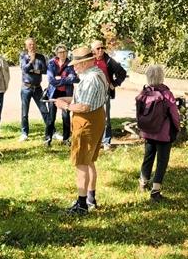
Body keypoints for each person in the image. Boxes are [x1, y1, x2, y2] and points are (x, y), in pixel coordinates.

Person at [54, 46, 108, 215]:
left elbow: (84, 106)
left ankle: (82, 204)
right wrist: (66, 99)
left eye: (76, 64)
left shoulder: (90, 78)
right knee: (89, 160)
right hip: (96, 118)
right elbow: (84, 99)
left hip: (87, 122)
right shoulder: (96, 74)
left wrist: (66, 105)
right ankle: (90, 199)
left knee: (81, 162)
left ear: (85, 63)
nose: (74, 67)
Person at [135, 65, 181, 202]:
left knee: (148, 157)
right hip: (163, 134)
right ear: (162, 76)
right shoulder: (166, 94)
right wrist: (177, 128)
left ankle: (143, 182)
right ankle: (155, 190)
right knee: (162, 161)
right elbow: (174, 114)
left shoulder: (143, 93)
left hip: (148, 132)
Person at [91, 40, 127, 150]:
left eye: (102, 48)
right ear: (93, 50)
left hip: (105, 92)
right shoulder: (89, 60)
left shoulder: (109, 60)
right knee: (92, 117)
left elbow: (122, 73)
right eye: (98, 48)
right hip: (92, 92)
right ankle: (94, 141)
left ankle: (106, 141)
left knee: (106, 117)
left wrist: (114, 84)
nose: (101, 50)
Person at [19, 37, 52, 145]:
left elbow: (44, 70)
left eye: (33, 44)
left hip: (37, 87)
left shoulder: (41, 57)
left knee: (44, 110)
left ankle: (51, 131)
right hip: (26, 88)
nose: (32, 46)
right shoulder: (23, 56)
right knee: (25, 112)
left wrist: (33, 70)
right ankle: (24, 133)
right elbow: (24, 69)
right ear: (26, 46)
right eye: (29, 45)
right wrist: (31, 61)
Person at [46, 45, 79, 145]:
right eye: (60, 52)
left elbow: (74, 78)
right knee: (51, 117)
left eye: (64, 51)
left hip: (66, 93)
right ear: (57, 54)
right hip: (53, 93)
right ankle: (47, 138)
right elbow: (51, 80)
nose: (63, 54)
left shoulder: (70, 64)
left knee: (66, 116)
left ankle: (66, 139)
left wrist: (59, 78)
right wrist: (66, 79)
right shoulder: (51, 63)